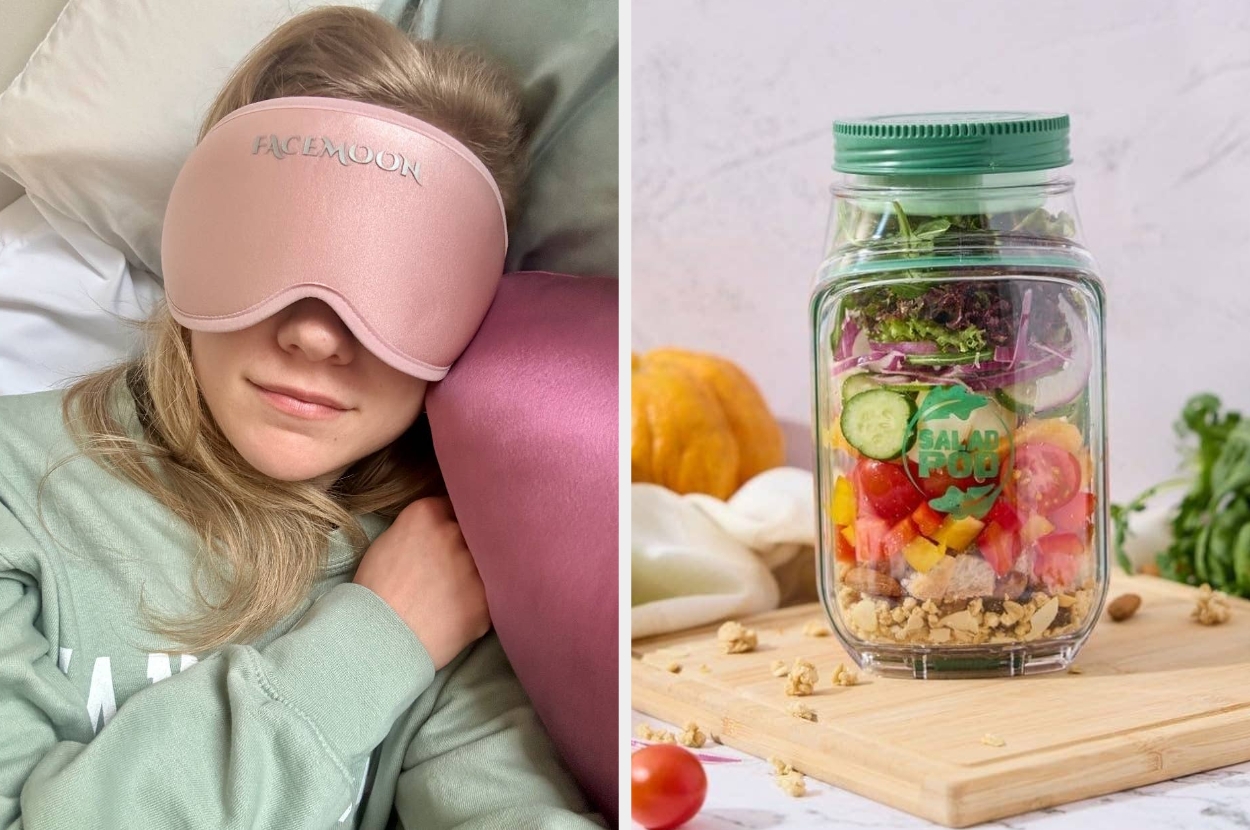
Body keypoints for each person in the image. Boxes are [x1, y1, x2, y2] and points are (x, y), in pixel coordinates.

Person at [0, 7, 602, 828]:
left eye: (396, 283)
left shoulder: (442, 558)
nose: (316, 334)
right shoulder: (13, 484)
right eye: (270, 251)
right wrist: (373, 643)